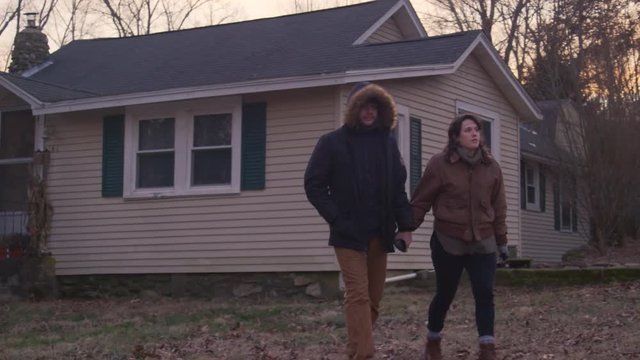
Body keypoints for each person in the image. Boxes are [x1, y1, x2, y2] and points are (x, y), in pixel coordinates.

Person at [304, 82, 414, 360]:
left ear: (381, 110)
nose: (369, 112)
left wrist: (406, 227)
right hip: (348, 234)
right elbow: (314, 185)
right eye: (363, 107)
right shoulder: (331, 143)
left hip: (380, 232)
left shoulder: (387, 144)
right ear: (354, 110)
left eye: (373, 106)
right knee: (358, 295)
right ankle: (364, 355)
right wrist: (336, 218)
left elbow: (398, 188)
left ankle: (354, 350)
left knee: (374, 299)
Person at [400, 113, 508, 360]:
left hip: (483, 241)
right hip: (449, 241)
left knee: (485, 293)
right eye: (468, 130)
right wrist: (407, 229)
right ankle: (433, 341)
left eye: (477, 130)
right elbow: (421, 200)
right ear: (456, 137)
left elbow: (499, 208)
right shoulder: (440, 164)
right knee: (445, 293)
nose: (474, 134)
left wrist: (501, 241)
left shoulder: (491, 167)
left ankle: (487, 348)